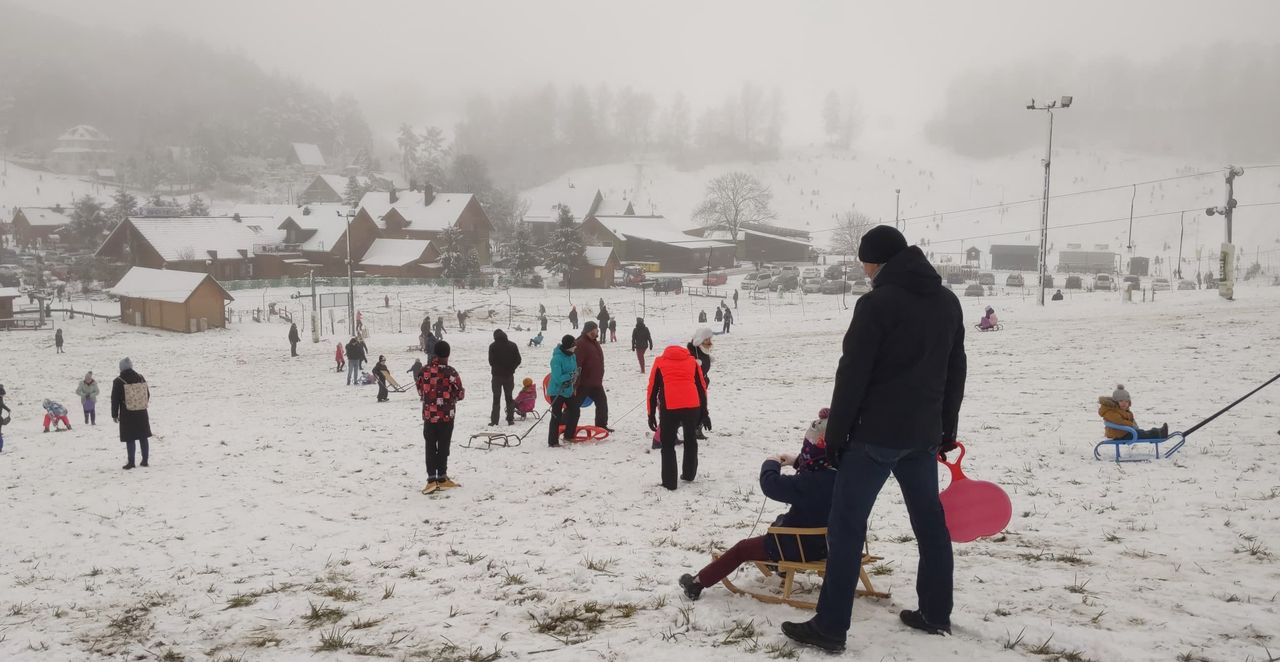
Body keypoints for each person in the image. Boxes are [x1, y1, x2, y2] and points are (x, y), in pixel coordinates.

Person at [783, 225, 966, 653]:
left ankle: (830, 627)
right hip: (922, 436)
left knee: (845, 529)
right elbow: (955, 369)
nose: (863, 270)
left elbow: (852, 376)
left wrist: (836, 436)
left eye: (863, 262)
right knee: (930, 527)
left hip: (873, 439)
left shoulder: (876, 303)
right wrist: (946, 430)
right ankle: (935, 613)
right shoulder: (947, 302)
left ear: (876, 261)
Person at [680, 417, 836, 599]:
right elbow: (818, 469)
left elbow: (771, 484)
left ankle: (697, 583)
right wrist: (796, 462)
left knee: (742, 549)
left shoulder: (810, 483)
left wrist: (771, 462)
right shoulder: (843, 475)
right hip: (833, 543)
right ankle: (779, 567)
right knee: (781, 520)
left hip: (803, 546)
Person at [647, 342, 709, 489]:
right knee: (690, 440)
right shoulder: (692, 361)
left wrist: (651, 414)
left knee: (667, 444)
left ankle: (669, 482)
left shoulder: (660, 362)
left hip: (670, 407)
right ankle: (689, 474)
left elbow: (652, 389)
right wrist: (704, 412)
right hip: (692, 406)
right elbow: (701, 387)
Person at [416, 341, 464, 493]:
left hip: (429, 415)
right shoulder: (451, 372)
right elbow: (460, 393)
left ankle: (431, 479)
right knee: (443, 446)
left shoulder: (424, 371)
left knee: (430, 446)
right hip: (446, 416)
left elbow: (420, 390)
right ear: (448, 354)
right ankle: (442, 477)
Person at [566, 321, 609, 433]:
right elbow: (577, 365)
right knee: (574, 406)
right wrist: (575, 384)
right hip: (583, 383)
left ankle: (601, 425)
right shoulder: (581, 343)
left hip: (596, 382)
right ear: (590, 330)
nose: (598, 331)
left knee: (602, 403)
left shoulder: (595, 342)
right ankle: (563, 423)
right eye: (596, 329)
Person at [111, 357, 152, 470]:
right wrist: (141, 404)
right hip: (141, 412)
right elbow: (147, 394)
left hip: (127, 413)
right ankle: (145, 460)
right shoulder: (140, 377)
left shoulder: (118, 381)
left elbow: (115, 399)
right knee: (143, 437)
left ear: (121, 368)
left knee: (130, 438)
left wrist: (114, 414)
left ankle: (131, 462)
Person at [1099, 385, 1168, 439]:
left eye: (1126, 401)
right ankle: (1158, 434)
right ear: (1115, 402)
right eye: (1121, 401)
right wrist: (1131, 425)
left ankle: (1158, 432)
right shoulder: (1110, 411)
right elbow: (1119, 421)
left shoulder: (1121, 410)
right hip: (1118, 435)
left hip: (1123, 432)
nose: (1124, 403)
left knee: (1141, 432)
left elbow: (1128, 419)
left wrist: (1133, 424)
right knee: (1141, 434)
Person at [547, 335, 578, 447]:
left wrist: (575, 376)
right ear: (567, 347)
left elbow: (574, 369)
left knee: (575, 411)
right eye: (573, 346)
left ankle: (569, 435)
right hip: (557, 391)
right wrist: (570, 376)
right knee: (556, 415)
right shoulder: (556, 359)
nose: (575, 348)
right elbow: (557, 377)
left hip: (568, 390)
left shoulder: (572, 356)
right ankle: (553, 441)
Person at [488, 329, 522, 426]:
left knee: (496, 398)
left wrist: (497, 367)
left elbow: (491, 361)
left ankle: (494, 421)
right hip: (509, 376)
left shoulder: (492, 346)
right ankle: (510, 419)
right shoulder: (513, 345)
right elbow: (518, 360)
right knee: (509, 398)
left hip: (496, 377)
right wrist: (512, 368)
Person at [0, 384, 9, 452]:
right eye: (2, 395)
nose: (3, 396)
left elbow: (2, 405)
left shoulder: (0, 398)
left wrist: (7, 409)